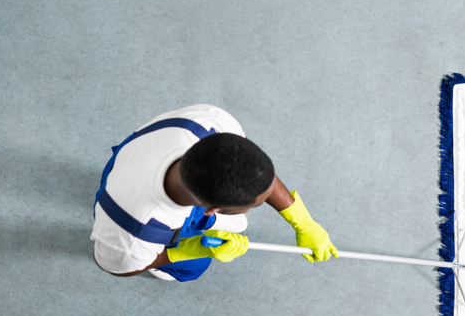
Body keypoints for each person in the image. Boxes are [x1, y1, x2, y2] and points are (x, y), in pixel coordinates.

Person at [91, 104, 338, 281]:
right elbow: (121, 269)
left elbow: (252, 168)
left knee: (232, 224)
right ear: (211, 208)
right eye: (251, 204)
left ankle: (202, 223)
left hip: (134, 156)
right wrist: (193, 249)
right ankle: (174, 264)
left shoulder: (211, 123)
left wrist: (303, 222)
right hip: (124, 204)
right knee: (194, 267)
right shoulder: (133, 237)